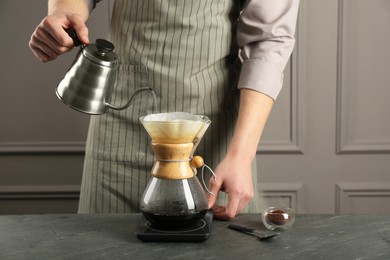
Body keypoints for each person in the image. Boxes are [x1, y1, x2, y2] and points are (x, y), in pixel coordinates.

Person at [29, 0, 300, 219]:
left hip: (209, 135)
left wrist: (241, 155)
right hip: (121, 126)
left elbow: (269, 41)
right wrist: (63, 11)